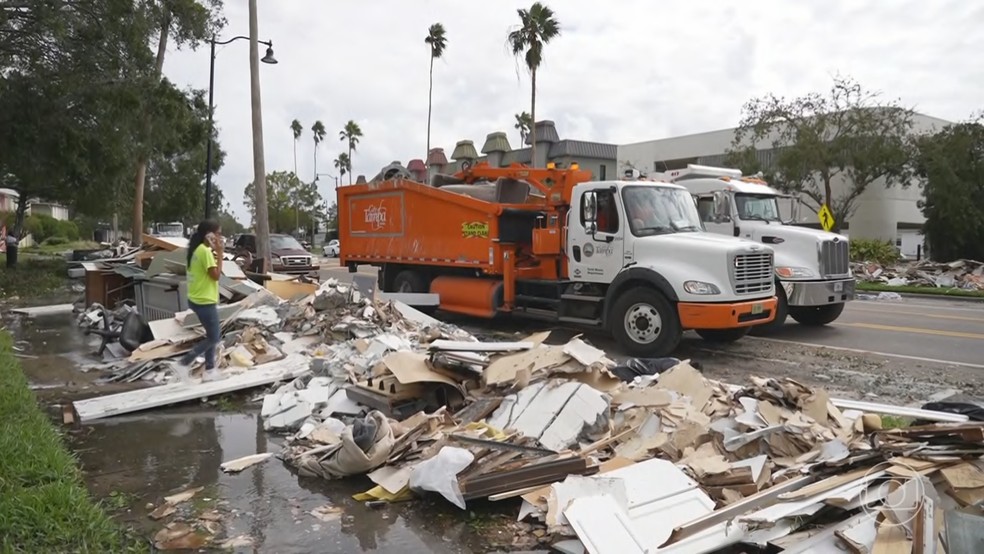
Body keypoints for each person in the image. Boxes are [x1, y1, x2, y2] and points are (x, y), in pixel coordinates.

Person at [174, 220, 224, 382]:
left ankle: (209, 370)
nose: (219, 237)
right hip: (204, 301)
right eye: (218, 233)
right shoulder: (205, 252)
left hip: (196, 299)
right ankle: (184, 362)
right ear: (209, 235)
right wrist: (220, 253)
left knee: (211, 335)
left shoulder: (195, 250)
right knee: (214, 337)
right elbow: (215, 276)